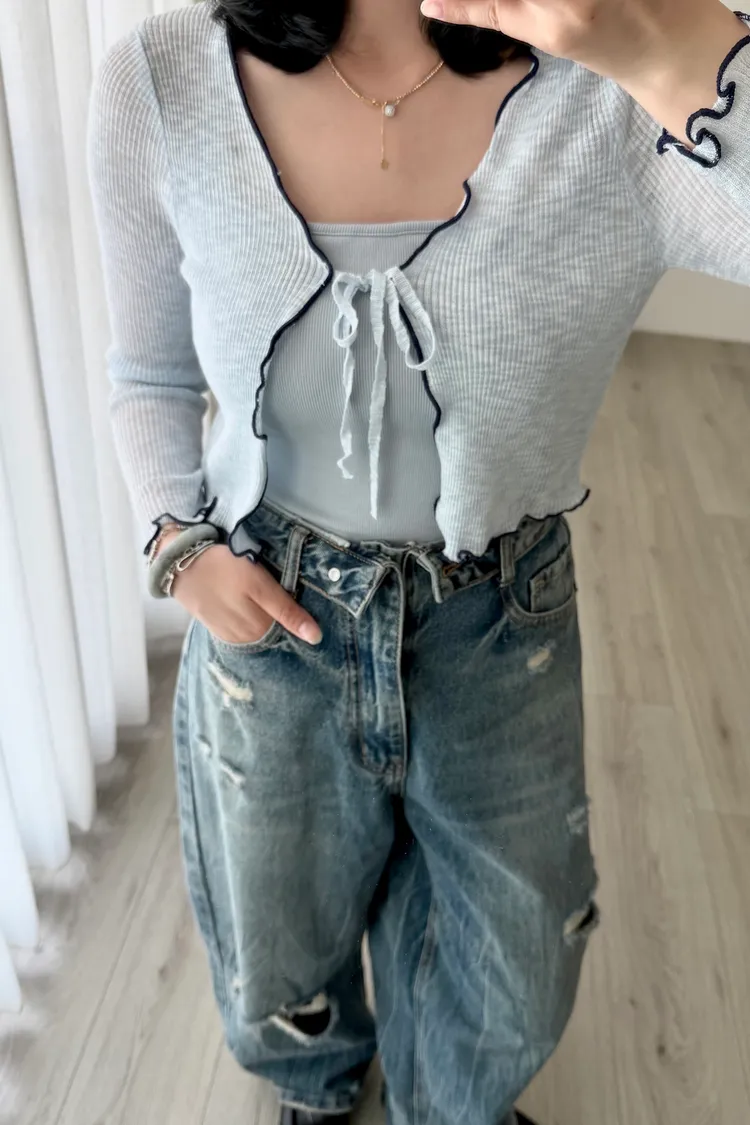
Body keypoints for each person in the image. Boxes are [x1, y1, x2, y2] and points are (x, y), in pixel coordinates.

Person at [87, 1, 750, 1122]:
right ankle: (316, 1088)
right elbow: (147, 374)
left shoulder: (611, 96)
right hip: (268, 613)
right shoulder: (161, 78)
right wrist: (177, 543)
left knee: (516, 956)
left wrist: (667, 38)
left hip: (499, 622)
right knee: (277, 930)